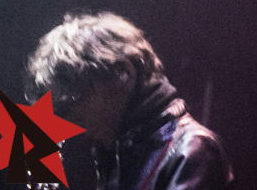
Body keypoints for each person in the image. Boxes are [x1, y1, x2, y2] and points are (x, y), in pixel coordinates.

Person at [26, 12, 233, 190]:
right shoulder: (115, 155)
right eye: (59, 106)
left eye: (73, 97)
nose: (66, 116)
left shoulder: (193, 151)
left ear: (121, 74)